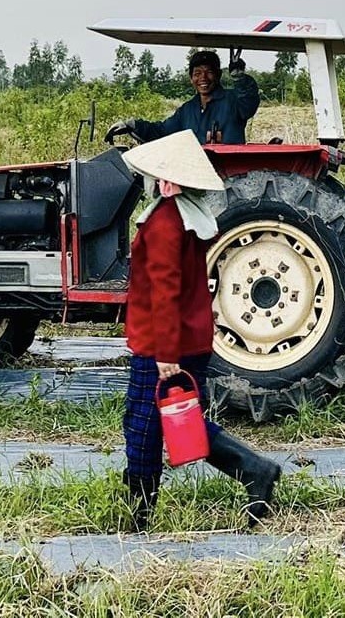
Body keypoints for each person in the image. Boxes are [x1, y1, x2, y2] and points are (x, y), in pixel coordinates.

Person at [117, 130, 282, 529]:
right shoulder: (189, 216)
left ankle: (137, 514)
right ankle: (254, 471)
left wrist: (166, 354)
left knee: (142, 426)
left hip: (164, 344)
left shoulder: (162, 224)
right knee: (180, 420)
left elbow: (164, 294)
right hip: (189, 337)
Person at [109, 49, 258, 145]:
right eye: (197, 73)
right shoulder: (187, 110)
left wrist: (240, 78)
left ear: (218, 75)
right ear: (191, 78)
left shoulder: (233, 101)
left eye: (209, 72)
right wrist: (133, 125)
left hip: (231, 175)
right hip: (197, 177)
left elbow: (249, 102)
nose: (203, 78)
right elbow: (162, 131)